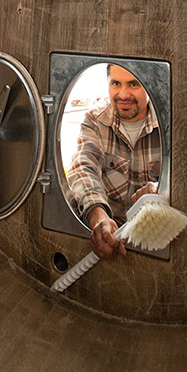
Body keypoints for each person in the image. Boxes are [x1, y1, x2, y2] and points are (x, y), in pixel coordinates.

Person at [67, 64, 161, 260]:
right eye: (116, 84)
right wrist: (98, 216)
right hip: (109, 234)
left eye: (134, 84)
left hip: (157, 243)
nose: (123, 94)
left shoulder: (170, 123)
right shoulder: (95, 120)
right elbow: (83, 167)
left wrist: (163, 191)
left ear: (150, 85)